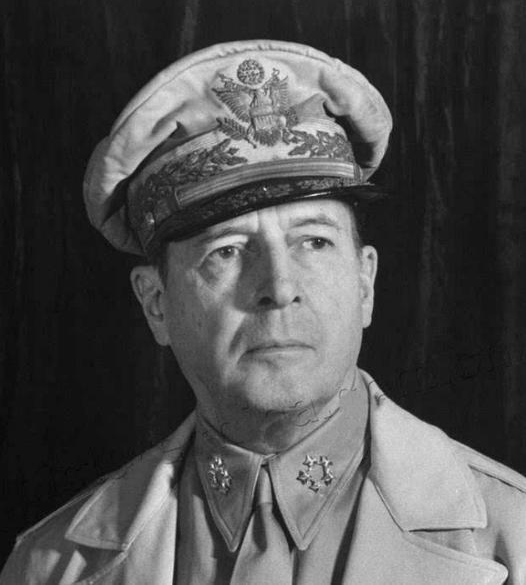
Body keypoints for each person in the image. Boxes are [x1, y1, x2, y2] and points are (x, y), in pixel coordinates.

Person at [1, 39, 525, 585]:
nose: (279, 287)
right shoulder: (48, 567)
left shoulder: (516, 539)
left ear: (364, 281)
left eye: (314, 242)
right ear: (155, 303)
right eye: (226, 251)